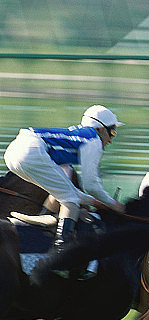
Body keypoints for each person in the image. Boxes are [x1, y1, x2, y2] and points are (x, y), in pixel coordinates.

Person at [3, 105, 125, 254]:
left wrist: (94, 201)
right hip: (31, 151)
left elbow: (67, 184)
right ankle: (62, 249)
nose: (111, 140)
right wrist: (112, 204)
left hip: (13, 152)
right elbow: (91, 185)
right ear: (100, 129)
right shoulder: (94, 141)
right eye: (112, 132)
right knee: (71, 200)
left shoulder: (73, 137)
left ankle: (42, 222)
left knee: (63, 193)